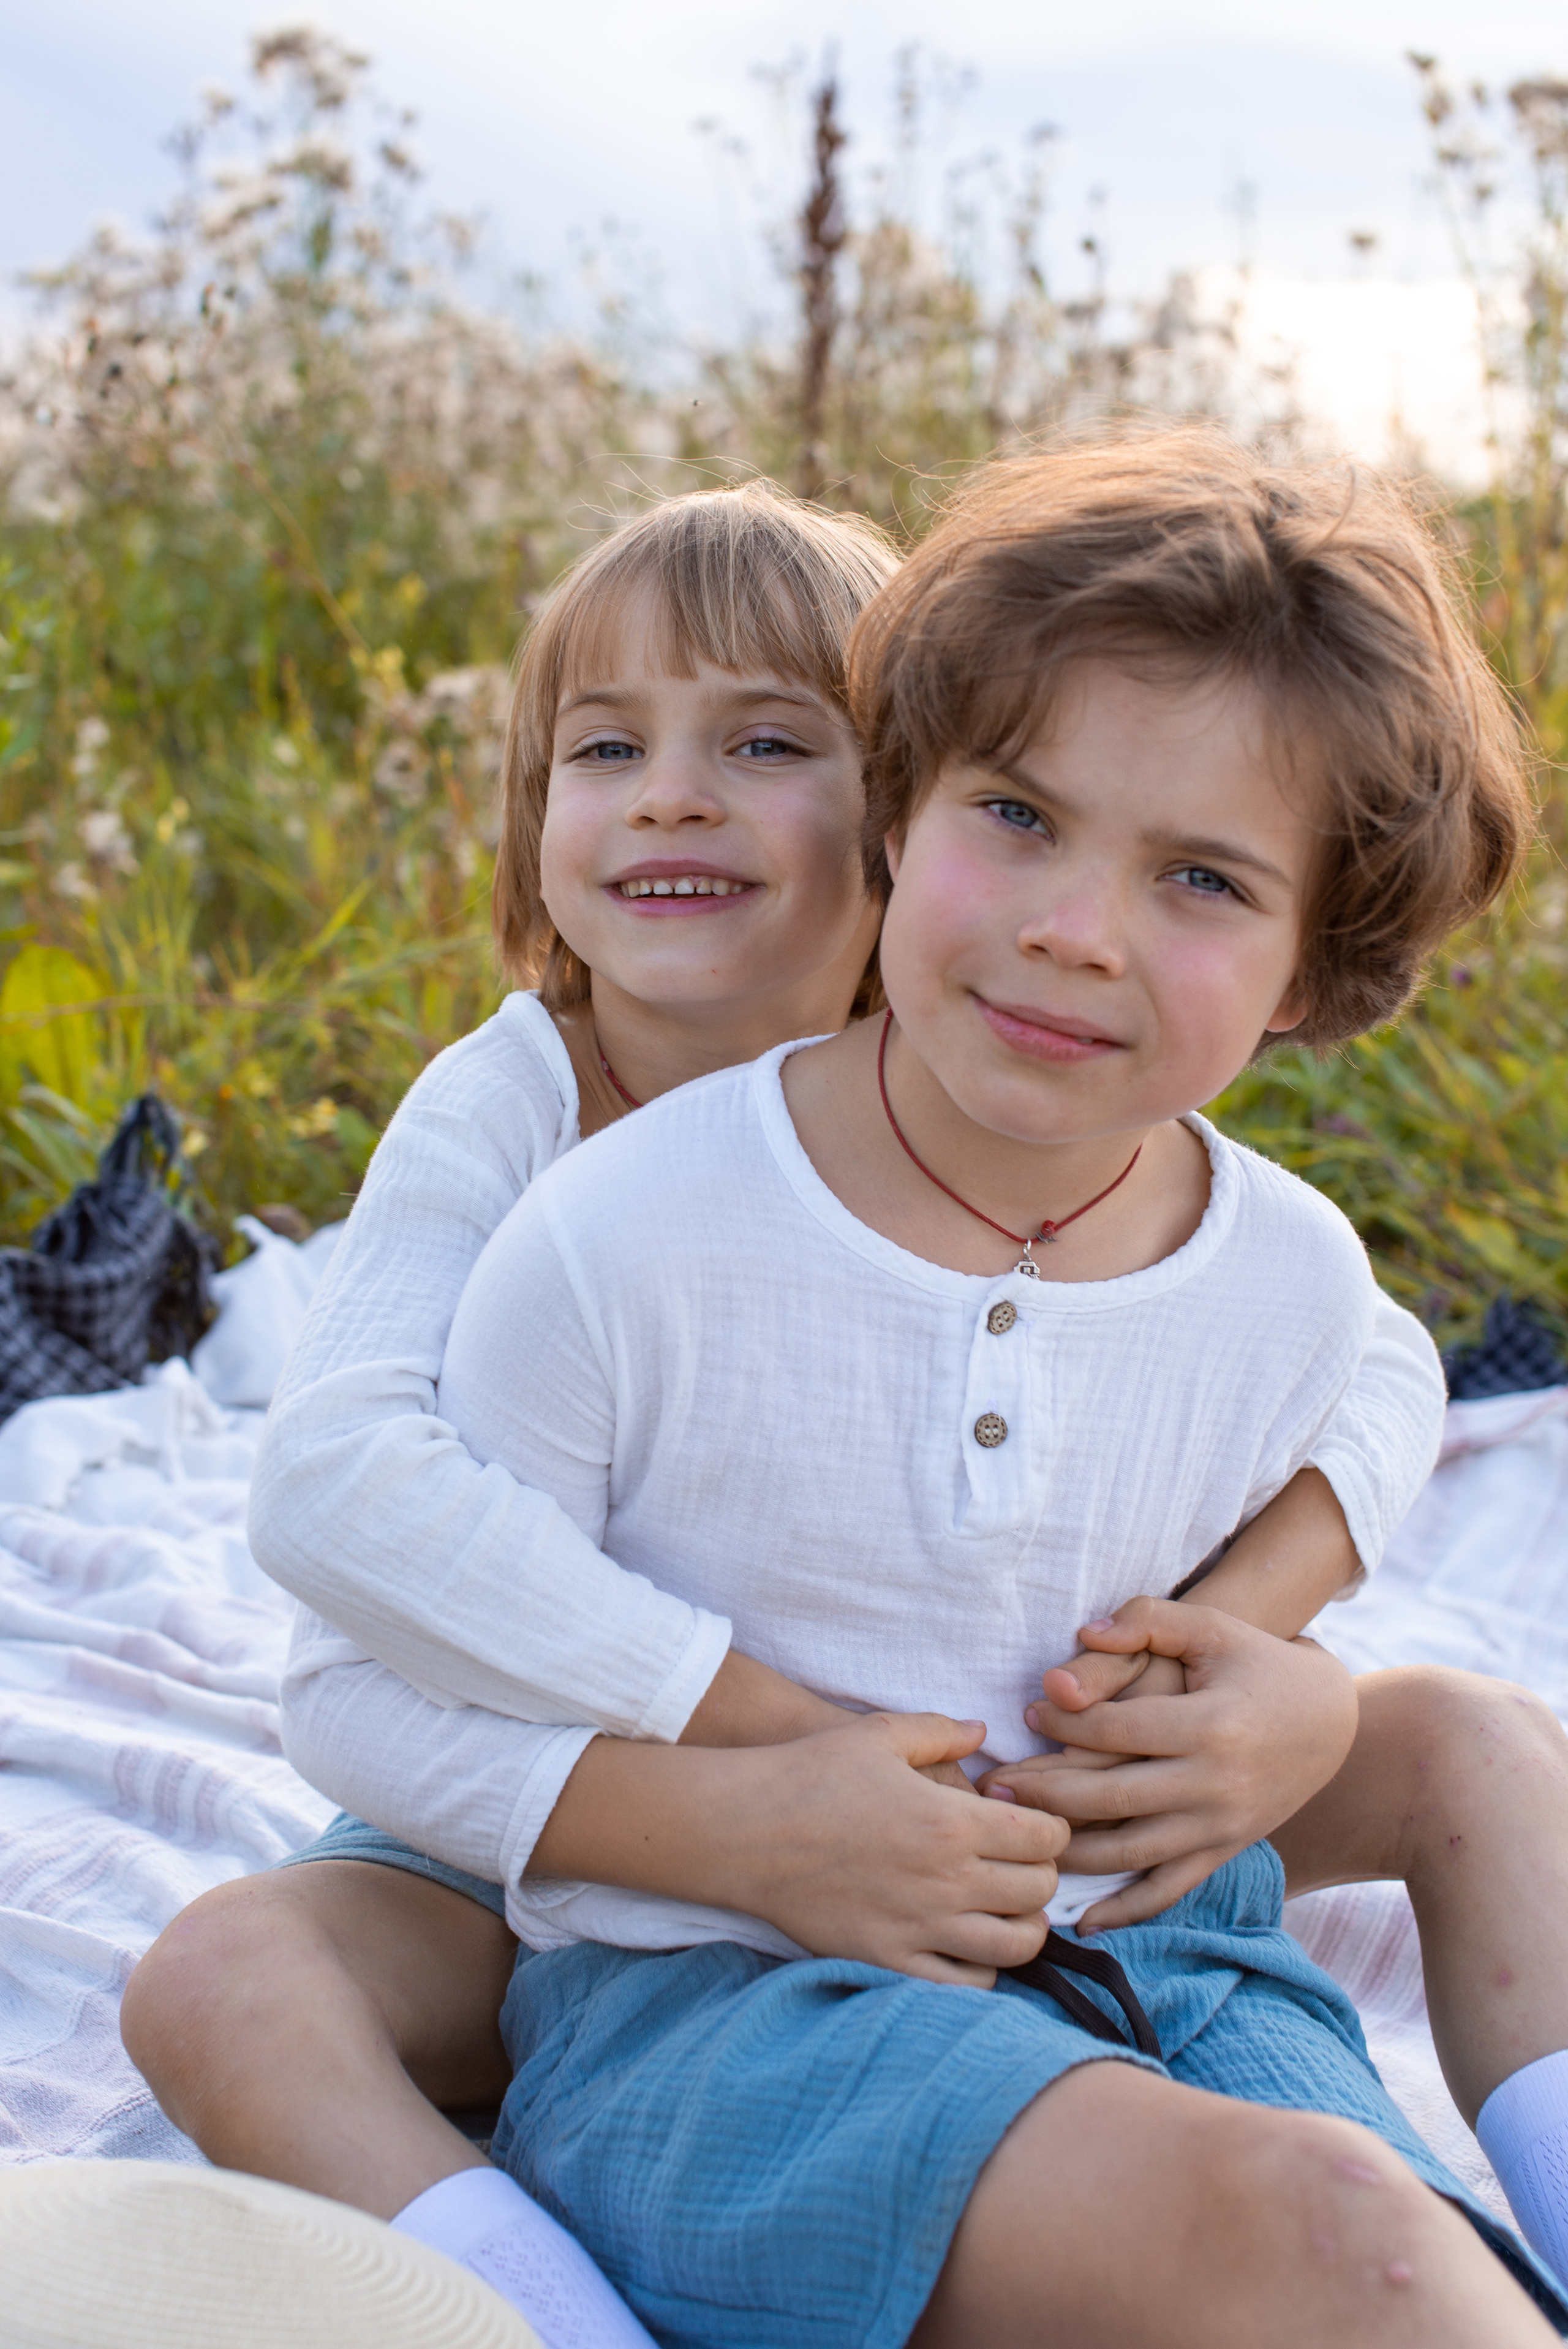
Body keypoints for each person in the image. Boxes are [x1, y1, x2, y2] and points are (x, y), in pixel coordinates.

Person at [121, 455, 1556, 2343]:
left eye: (764, 741)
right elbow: (343, 1500)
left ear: (882, 800)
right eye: (605, 748)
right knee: (232, 1973)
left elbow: (1366, 1358)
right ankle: (532, 2310)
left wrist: (1232, 1653)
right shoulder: (545, 1146)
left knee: (1472, 1737)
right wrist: (766, 1765)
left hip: (999, 1798)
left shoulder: (1034, 1085)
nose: (677, 797)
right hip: (577, 1797)